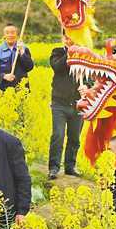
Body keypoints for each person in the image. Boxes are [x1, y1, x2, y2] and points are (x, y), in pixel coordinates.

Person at [48, 31, 84, 179]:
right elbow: (58, 67)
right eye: (67, 37)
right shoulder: (57, 52)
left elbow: (90, 76)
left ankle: (70, 167)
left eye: (72, 37)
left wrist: (87, 87)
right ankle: (53, 168)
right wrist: (70, 52)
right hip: (59, 104)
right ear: (63, 38)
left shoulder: (84, 55)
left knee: (74, 138)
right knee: (58, 135)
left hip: (78, 104)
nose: (69, 40)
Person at [0, 24, 34, 91]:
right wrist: (4, 76)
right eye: (7, 33)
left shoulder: (24, 48)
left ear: (17, 34)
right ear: (4, 35)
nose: (10, 35)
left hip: (21, 89)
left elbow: (29, 67)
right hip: (3, 90)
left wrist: (22, 52)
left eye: (12, 32)